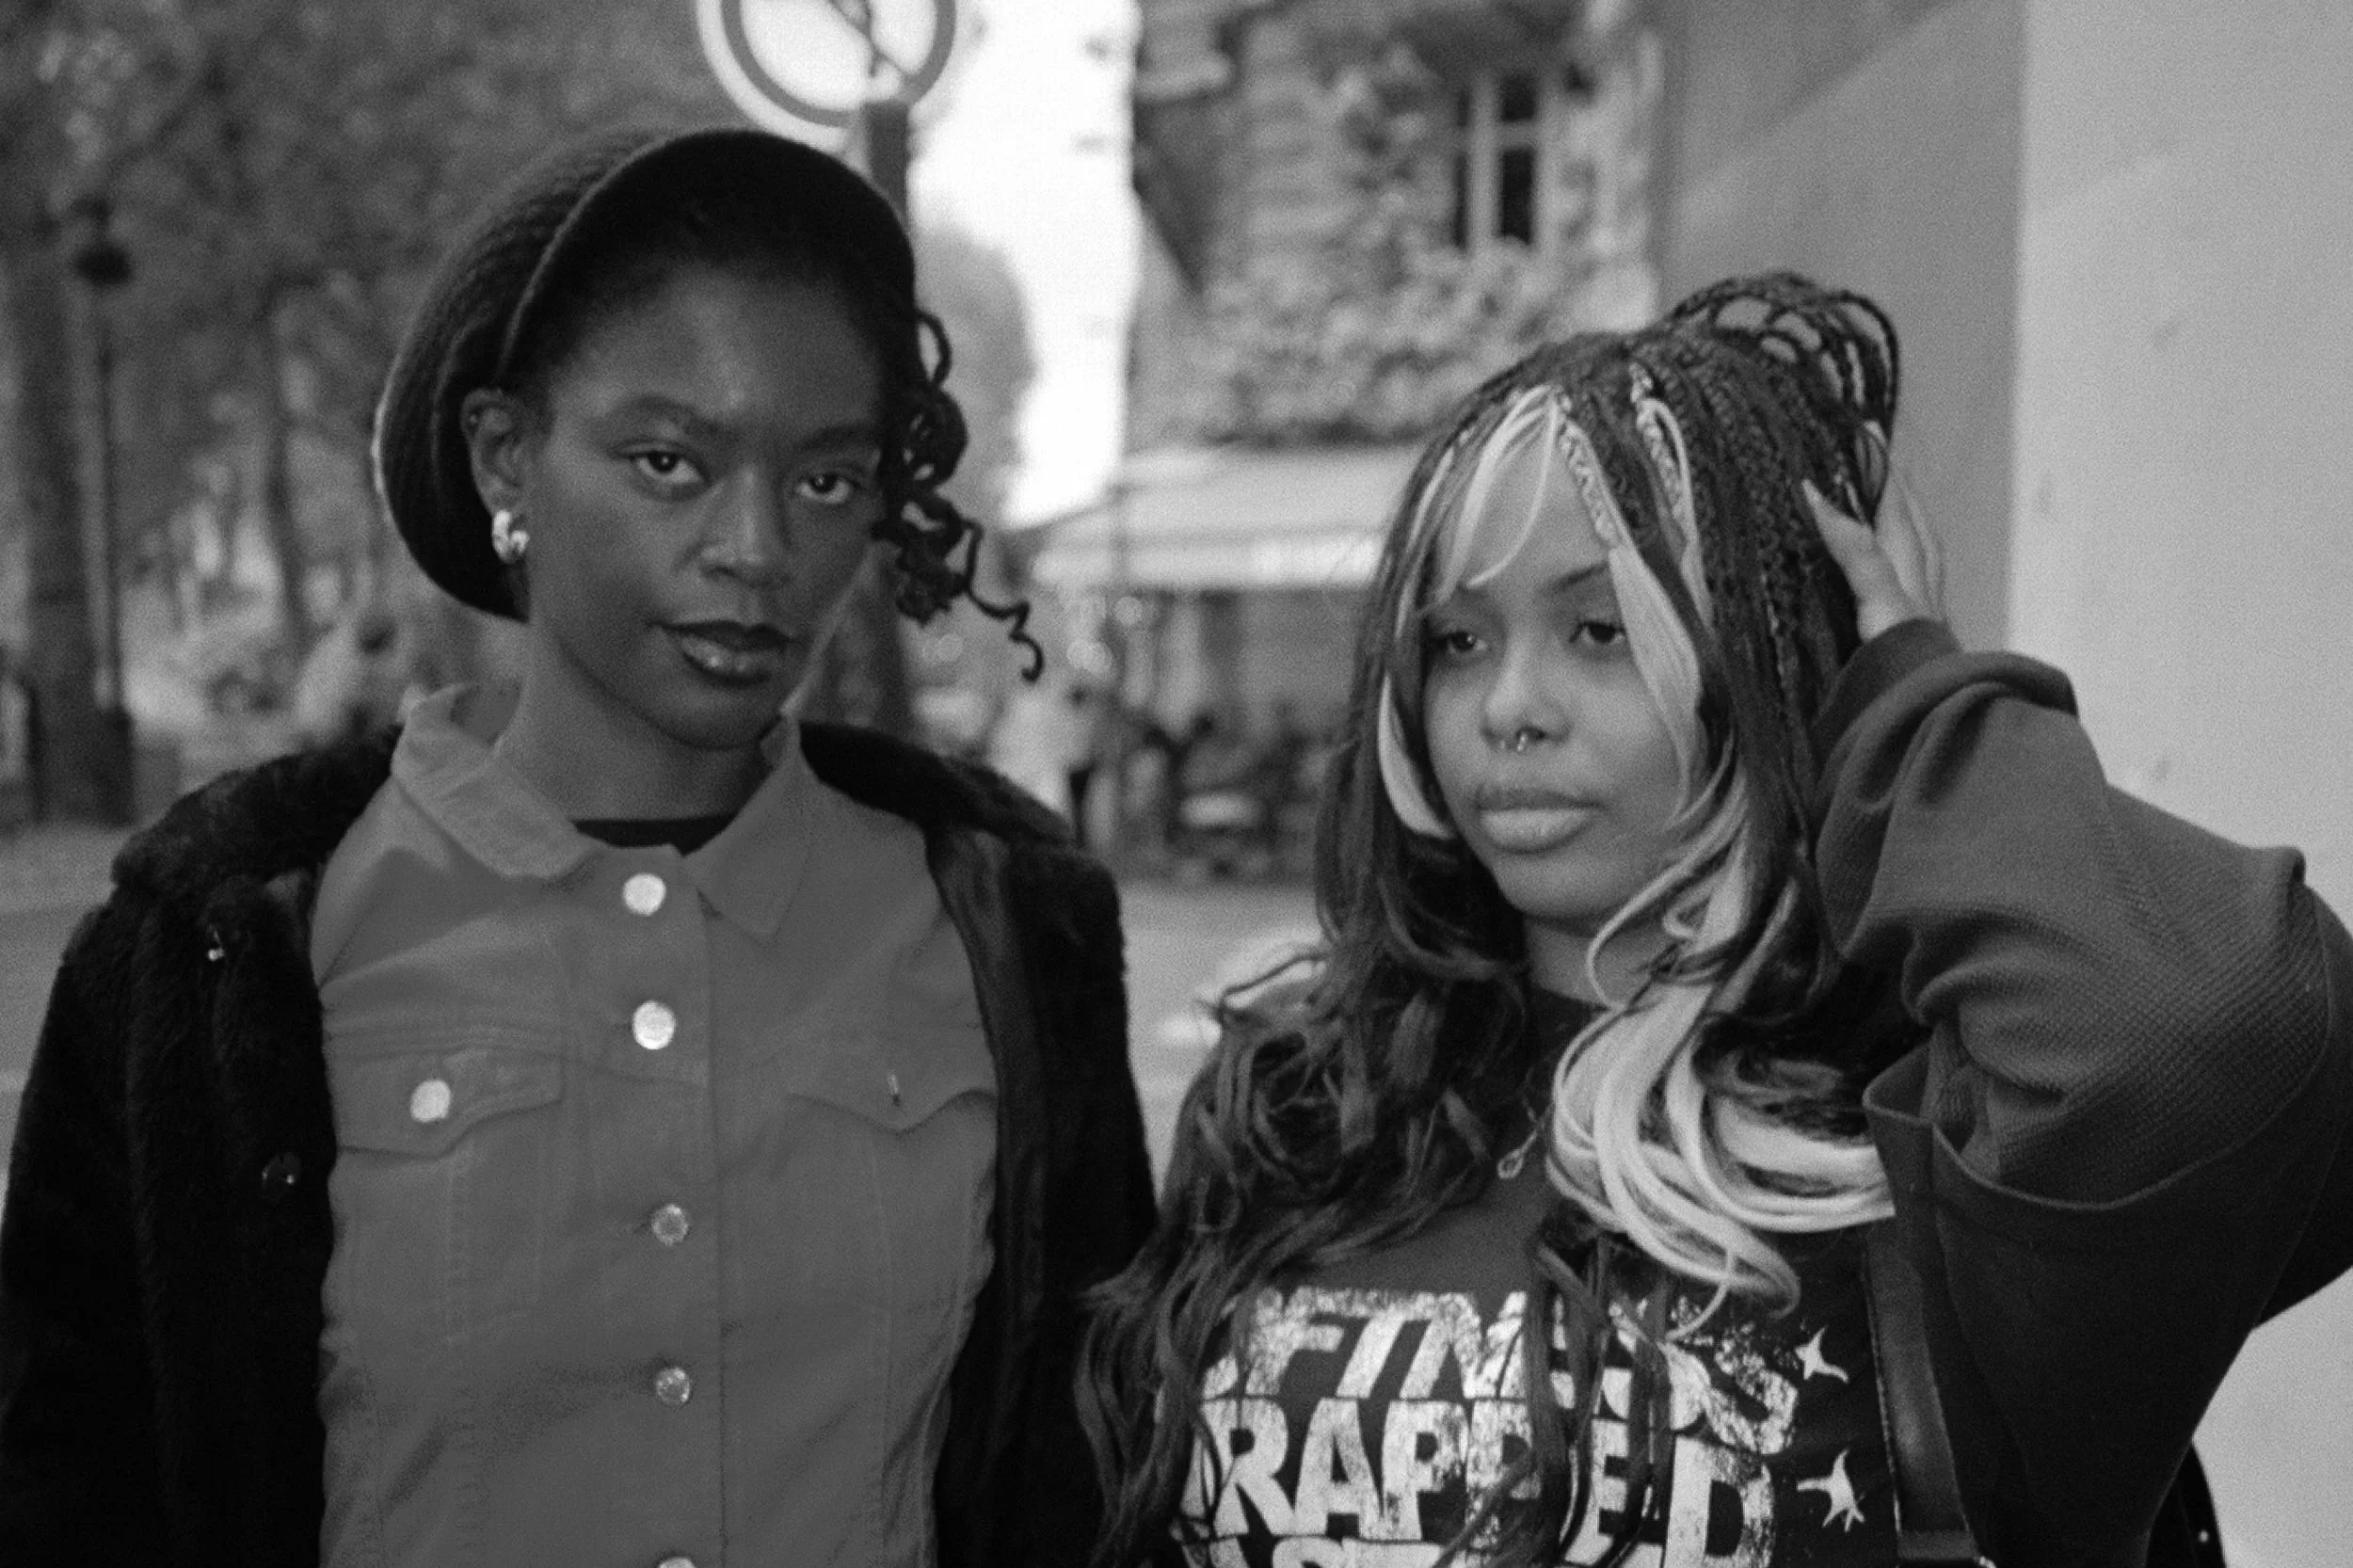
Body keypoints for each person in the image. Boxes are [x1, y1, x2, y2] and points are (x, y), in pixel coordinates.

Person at [0, 125, 1155, 1568]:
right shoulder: (216, 947)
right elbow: (74, 1488)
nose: (756, 546)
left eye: (824, 479)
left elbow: (1100, 1468)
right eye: (668, 460)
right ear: (508, 455)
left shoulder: (1008, 935)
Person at [1078, 274, 2353, 1568]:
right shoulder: (1294, 1107)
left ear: (1766, 663)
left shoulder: (1938, 1138)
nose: (1510, 704)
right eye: (1458, 640)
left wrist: (1912, 706)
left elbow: (2224, 1022)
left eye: (1600, 628)